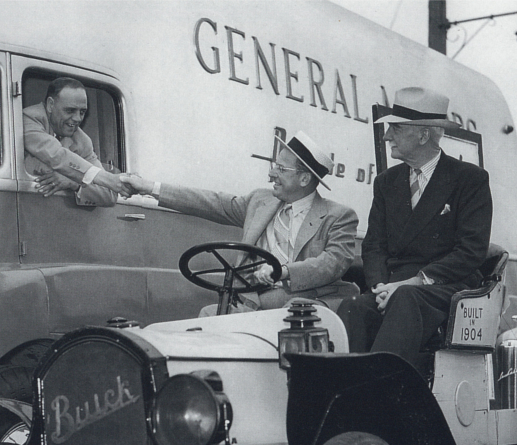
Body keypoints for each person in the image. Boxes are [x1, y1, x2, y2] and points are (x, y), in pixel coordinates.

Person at [338, 87, 493, 375]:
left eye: (395, 129)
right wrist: (381, 287)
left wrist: (414, 282)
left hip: (445, 286)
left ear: (423, 135)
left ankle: (376, 390)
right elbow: (374, 247)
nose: (386, 137)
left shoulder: (469, 179)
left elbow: (471, 252)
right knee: (353, 306)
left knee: (406, 299)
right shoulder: (386, 182)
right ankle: (348, 388)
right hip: (393, 288)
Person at [119, 131, 359, 314]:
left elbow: (331, 264)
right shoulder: (259, 201)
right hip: (253, 302)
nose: (271, 174)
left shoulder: (338, 216)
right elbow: (208, 202)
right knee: (210, 315)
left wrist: (282, 272)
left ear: (304, 178)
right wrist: (150, 188)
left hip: (304, 305)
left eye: (281, 169)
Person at [22, 77, 130, 206]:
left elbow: (109, 195)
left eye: (82, 112)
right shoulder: (27, 119)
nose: (78, 118)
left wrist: (73, 182)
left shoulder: (81, 140)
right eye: (70, 110)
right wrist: (106, 178)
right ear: (51, 105)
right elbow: (57, 155)